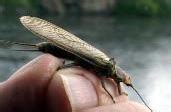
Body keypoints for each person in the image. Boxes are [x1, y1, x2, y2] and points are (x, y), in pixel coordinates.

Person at [0, 54, 150, 112]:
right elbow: (105, 84)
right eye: (125, 83)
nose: (123, 85)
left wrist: (120, 91)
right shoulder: (110, 72)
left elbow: (116, 83)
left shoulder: (113, 75)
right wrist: (111, 98)